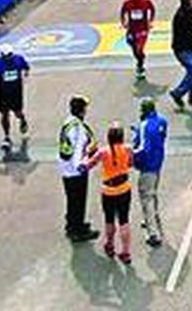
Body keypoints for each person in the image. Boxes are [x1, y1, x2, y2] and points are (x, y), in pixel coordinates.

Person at [84, 123, 134, 264]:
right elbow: (130, 164)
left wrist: (86, 154)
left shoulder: (103, 152)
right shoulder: (128, 149)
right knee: (124, 220)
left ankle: (110, 244)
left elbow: (89, 164)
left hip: (108, 191)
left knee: (109, 219)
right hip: (124, 188)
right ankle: (126, 252)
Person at [58, 94, 99, 242]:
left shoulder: (68, 122)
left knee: (71, 199)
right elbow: (78, 151)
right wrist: (82, 165)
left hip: (65, 169)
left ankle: (72, 224)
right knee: (78, 200)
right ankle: (77, 230)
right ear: (82, 111)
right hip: (76, 170)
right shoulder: (78, 128)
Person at [132, 98, 168, 248]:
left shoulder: (144, 126)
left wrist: (131, 157)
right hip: (158, 161)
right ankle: (155, 214)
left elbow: (142, 149)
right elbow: (160, 137)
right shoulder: (162, 121)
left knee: (146, 197)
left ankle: (152, 233)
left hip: (147, 166)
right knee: (153, 192)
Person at [0, 44, 30, 153]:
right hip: (3, 93)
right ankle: (6, 137)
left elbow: (26, 68)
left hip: (16, 92)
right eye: (5, 56)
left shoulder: (19, 59)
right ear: (1, 55)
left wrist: (25, 75)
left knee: (17, 112)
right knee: (4, 114)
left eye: (9, 55)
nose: (8, 58)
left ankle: (23, 120)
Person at [120, 0, 156, 80]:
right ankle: (140, 57)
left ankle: (140, 66)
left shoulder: (146, 2)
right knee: (132, 45)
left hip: (143, 29)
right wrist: (123, 22)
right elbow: (122, 12)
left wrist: (150, 21)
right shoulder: (127, 3)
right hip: (131, 29)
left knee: (139, 48)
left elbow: (152, 9)